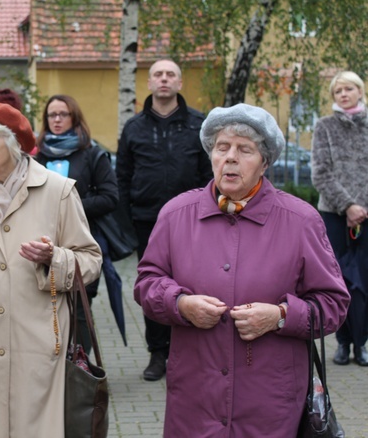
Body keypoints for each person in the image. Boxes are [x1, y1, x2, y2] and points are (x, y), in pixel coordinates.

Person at [134, 103, 350, 437]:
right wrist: (180, 305)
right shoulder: (177, 214)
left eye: (244, 149)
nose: (230, 158)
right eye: (222, 147)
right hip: (195, 399)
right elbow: (147, 283)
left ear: (264, 162)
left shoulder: (301, 221)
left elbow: (333, 305)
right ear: (211, 155)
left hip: (271, 404)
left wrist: (280, 315)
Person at [0, 101, 102, 437]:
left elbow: (90, 259)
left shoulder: (58, 191)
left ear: (12, 144)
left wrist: (53, 258)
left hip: (40, 342)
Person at [117, 58, 213, 381]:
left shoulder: (199, 125)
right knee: (154, 288)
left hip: (194, 222)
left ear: (180, 83)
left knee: (192, 284)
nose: (164, 79)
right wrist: (127, 222)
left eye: (170, 74)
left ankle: (186, 352)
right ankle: (158, 353)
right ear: (149, 82)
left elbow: (208, 176)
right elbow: (123, 178)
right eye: (157, 74)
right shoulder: (133, 128)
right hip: (147, 221)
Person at [36, 94, 120, 354]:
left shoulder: (92, 154)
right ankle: (54, 366)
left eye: (63, 114)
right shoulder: (37, 157)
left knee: (80, 310)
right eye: (52, 115)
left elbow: (110, 197)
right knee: (47, 308)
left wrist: (69, 206)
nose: (57, 119)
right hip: (45, 245)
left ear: (74, 118)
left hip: (82, 243)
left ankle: (82, 369)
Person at [311, 70, 368, 366]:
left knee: (365, 279)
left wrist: (361, 207)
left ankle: (362, 343)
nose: (343, 94)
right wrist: (348, 206)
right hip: (334, 214)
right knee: (339, 280)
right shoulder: (324, 126)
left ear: (360, 91)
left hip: (367, 215)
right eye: (338, 91)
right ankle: (343, 343)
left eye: (349, 89)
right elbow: (320, 172)